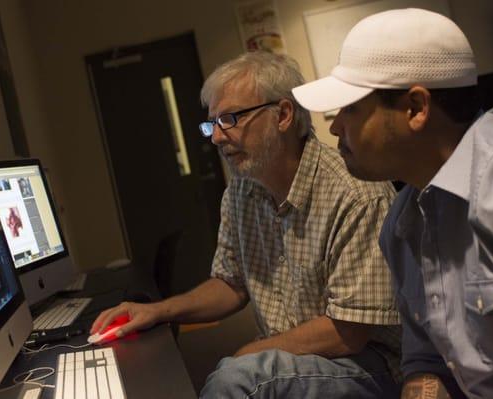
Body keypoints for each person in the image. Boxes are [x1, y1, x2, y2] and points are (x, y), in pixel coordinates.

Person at [92, 51, 401, 397]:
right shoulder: (242, 190)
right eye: (213, 124)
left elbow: (349, 331)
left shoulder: (355, 194)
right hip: (288, 353)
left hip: (364, 363)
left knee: (237, 379)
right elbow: (231, 284)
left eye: (231, 119)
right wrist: (158, 311)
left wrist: (250, 353)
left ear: (283, 115)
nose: (217, 138)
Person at [293, 8, 493, 399]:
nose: (335, 126)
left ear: (416, 109)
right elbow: (428, 363)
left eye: (351, 108)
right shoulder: (404, 223)